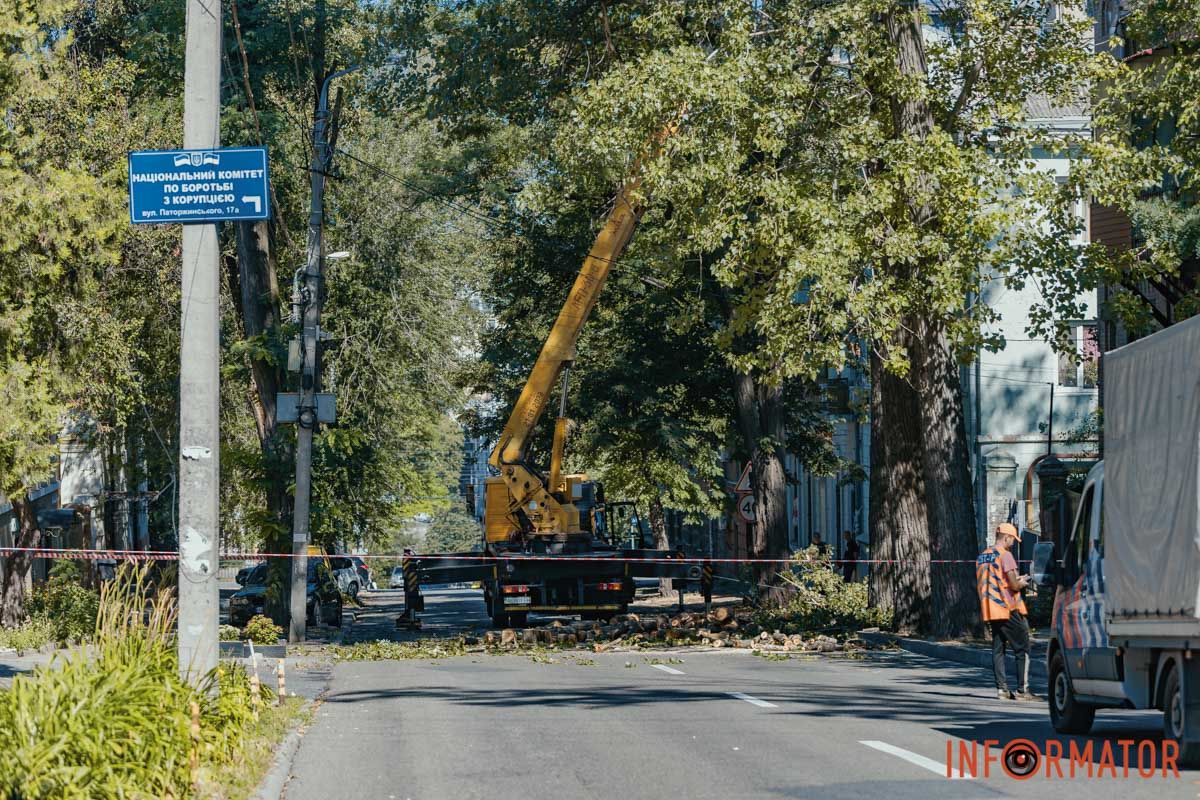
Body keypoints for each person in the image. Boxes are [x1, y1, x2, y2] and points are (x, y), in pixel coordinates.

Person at [976, 523, 1036, 701]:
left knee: (998, 649)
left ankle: (1002, 689)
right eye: (1013, 540)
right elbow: (1013, 585)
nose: (1013, 543)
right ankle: (1022, 691)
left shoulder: (983, 556)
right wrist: (1023, 582)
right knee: (1022, 648)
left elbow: (994, 581)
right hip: (1007, 608)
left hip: (990, 609)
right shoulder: (1006, 555)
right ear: (1006, 537)